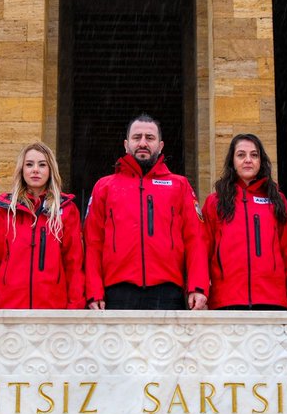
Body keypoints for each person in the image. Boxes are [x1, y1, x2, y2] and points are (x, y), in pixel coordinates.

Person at [84, 114, 209, 310]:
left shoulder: (179, 185)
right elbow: (92, 242)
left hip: (168, 292)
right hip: (117, 292)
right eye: (137, 137)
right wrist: (93, 291)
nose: (143, 143)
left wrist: (197, 286)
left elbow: (196, 239)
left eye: (149, 138)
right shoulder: (104, 187)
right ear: (126, 144)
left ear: (160, 145)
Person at [0, 142, 85, 309]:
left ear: (50, 170)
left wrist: (75, 306)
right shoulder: (3, 209)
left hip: (53, 308)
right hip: (9, 307)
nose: (35, 169)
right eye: (29, 164)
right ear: (22, 169)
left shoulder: (66, 210)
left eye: (42, 165)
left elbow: (74, 263)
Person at [203, 134, 287, 310]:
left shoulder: (277, 200)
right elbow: (203, 251)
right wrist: (201, 292)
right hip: (227, 301)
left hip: (272, 300)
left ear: (261, 161)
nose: (248, 160)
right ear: (232, 162)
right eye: (241, 155)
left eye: (254, 155)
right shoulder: (215, 202)